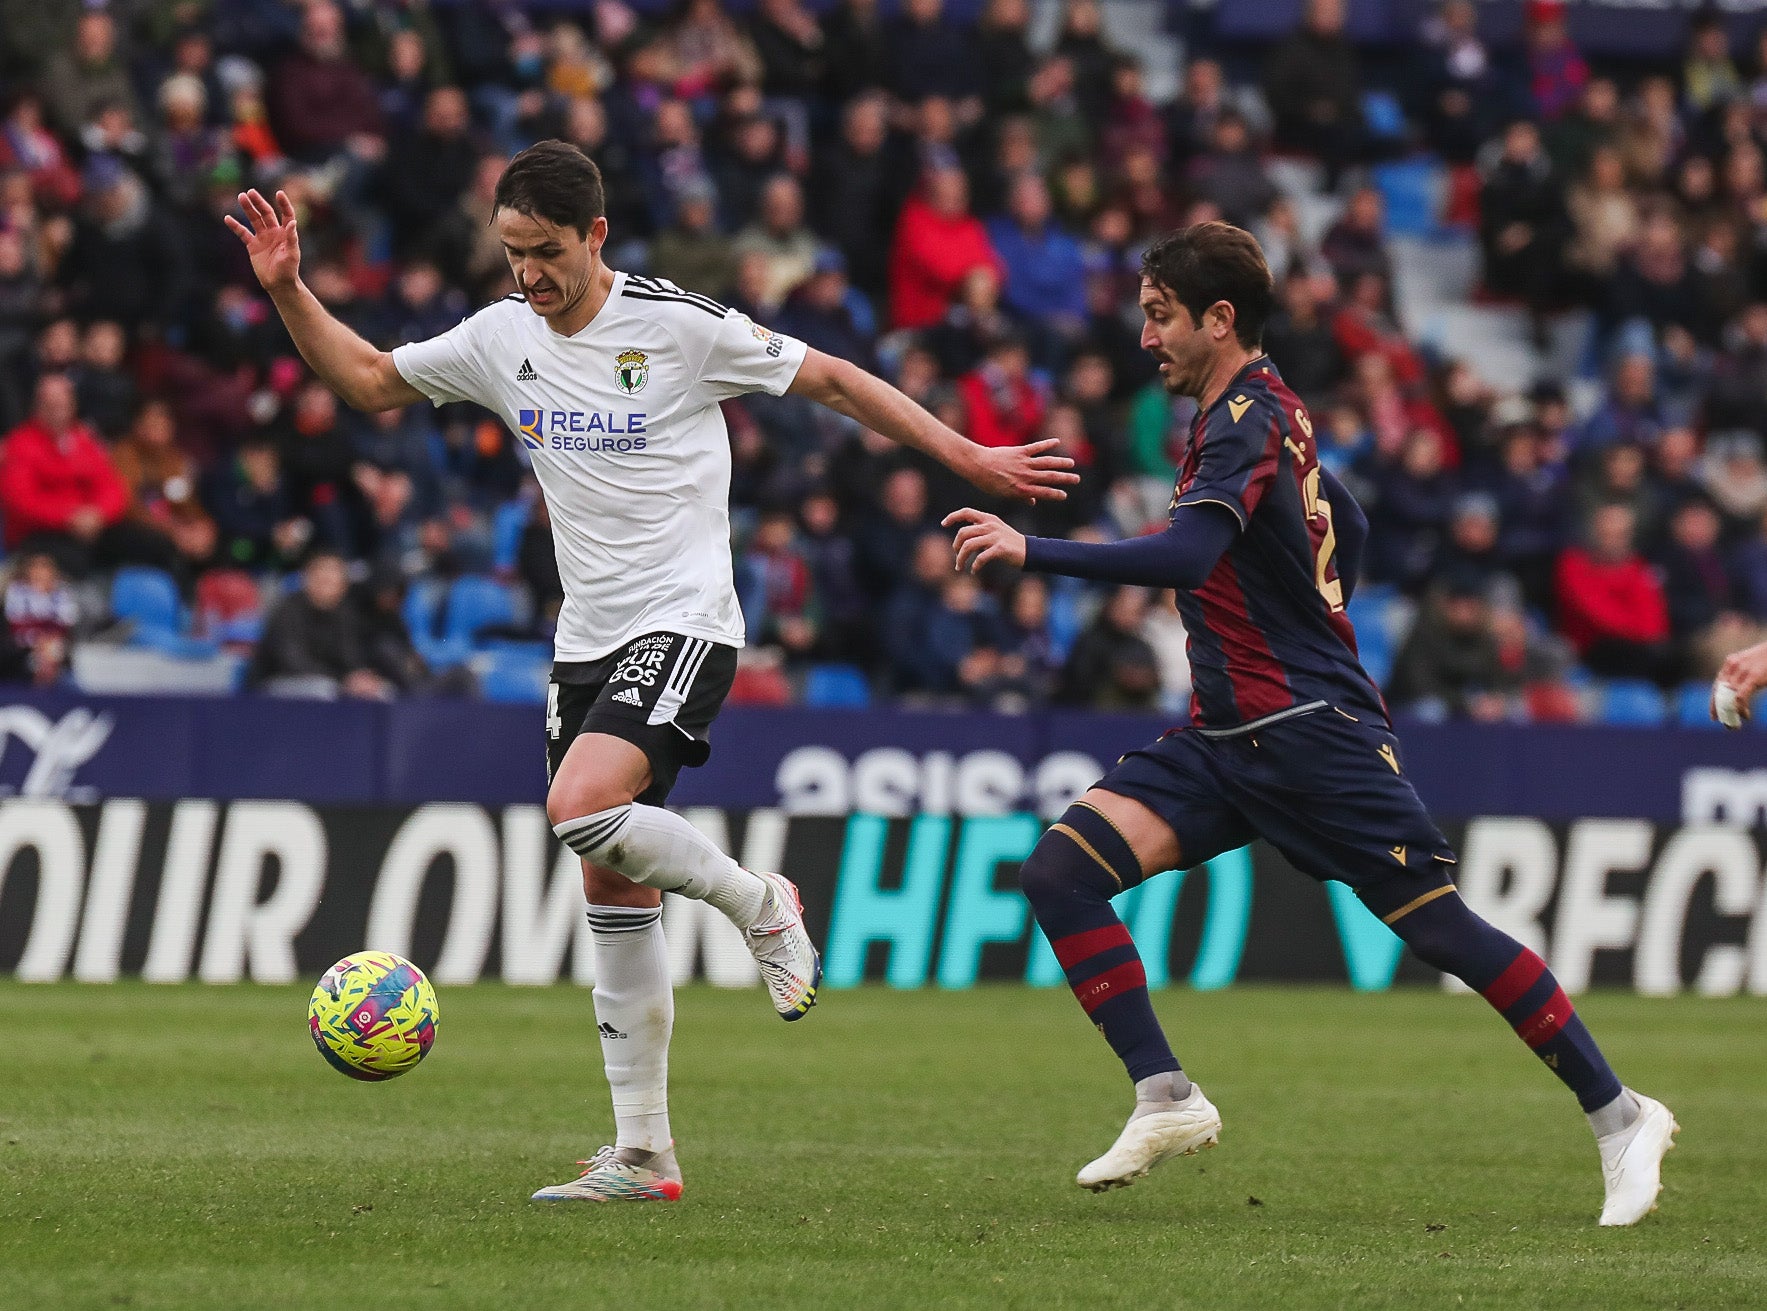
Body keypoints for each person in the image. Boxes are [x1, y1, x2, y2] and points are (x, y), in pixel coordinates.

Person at [226, 139, 1076, 1203]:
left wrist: (970, 455)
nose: (526, 277)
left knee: (575, 805)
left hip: (686, 620)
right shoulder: (501, 339)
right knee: (609, 878)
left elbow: (835, 380)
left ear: (596, 238)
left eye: (544, 254)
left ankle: (757, 900)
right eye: (510, 254)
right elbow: (363, 382)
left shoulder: (678, 328)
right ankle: (643, 1154)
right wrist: (292, 290)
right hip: (585, 642)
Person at [941, 221, 1674, 1225]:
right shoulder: (1264, 410)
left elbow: (1185, 558)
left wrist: (1036, 552)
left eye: (1160, 318)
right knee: (1060, 873)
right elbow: (1350, 521)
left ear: (1219, 319)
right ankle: (1167, 1095)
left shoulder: (1243, 418)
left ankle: (1622, 1115)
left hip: (1308, 730)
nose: (1146, 338)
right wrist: (1312, 601)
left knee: (1445, 931)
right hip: (1227, 736)